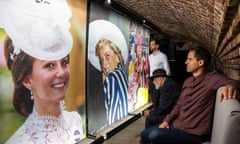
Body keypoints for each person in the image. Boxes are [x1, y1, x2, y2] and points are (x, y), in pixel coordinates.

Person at [1, 0, 83, 143]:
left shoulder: (74, 120)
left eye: (64, 62)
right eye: (50, 65)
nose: (62, 72)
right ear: (27, 80)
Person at [140, 46, 240, 144]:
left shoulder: (212, 79)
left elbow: (236, 82)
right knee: (144, 134)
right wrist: (167, 120)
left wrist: (231, 86)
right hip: (177, 124)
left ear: (200, 63)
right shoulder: (187, 81)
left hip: (194, 133)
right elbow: (178, 105)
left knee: (153, 135)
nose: (186, 62)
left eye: (190, 59)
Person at [95, 38, 128, 125]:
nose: (104, 63)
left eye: (107, 56)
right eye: (101, 60)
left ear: (117, 56)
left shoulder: (112, 78)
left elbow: (112, 116)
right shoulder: (122, 73)